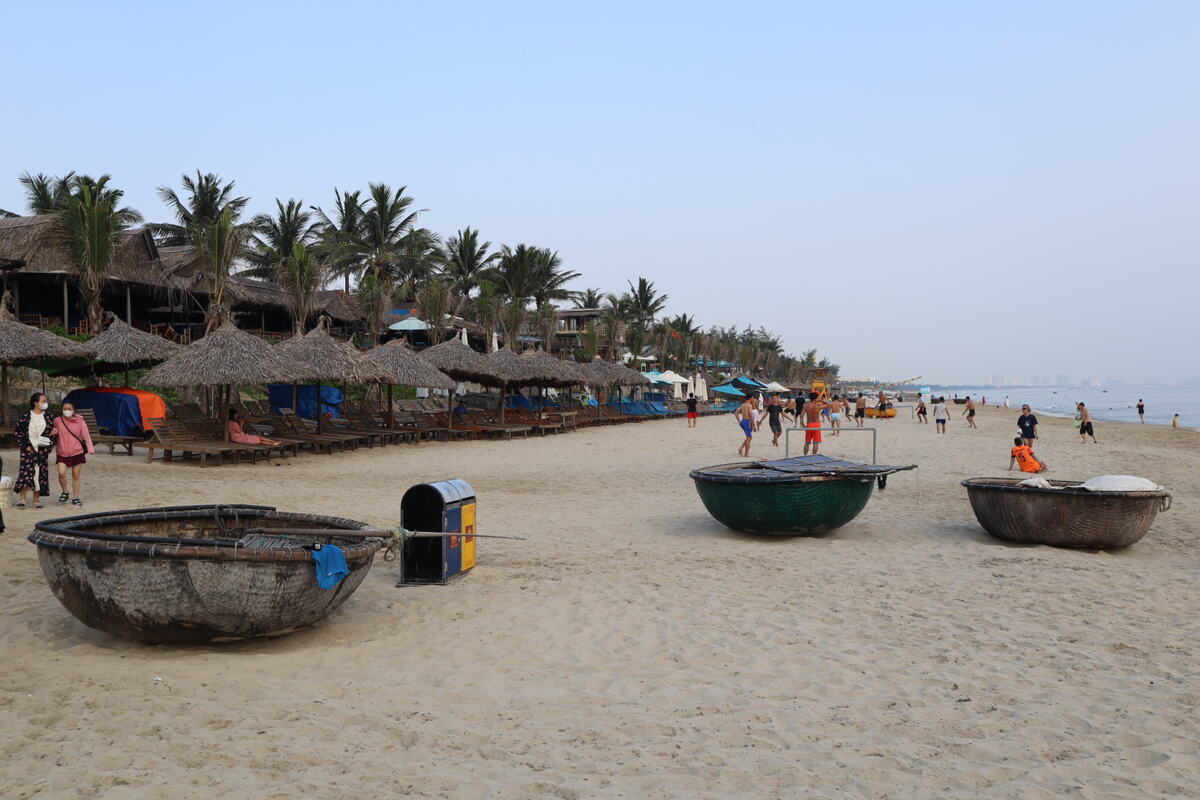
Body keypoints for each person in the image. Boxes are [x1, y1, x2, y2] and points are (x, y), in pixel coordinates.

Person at [13, 393, 57, 508]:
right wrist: (25, 446)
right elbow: (18, 431)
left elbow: (50, 432)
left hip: (42, 450)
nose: (45, 403)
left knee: (39, 473)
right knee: (26, 472)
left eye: (46, 400)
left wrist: (52, 434)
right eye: (43, 401)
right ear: (35, 403)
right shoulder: (26, 416)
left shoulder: (48, 416)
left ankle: (36, 500)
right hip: (28, 449)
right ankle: (22, 499)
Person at [53, 402, 94, 506]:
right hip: (62, 452)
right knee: (61, 472)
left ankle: (75, 497)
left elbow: (86, 436)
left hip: (77, 452)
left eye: (69, 408)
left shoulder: (80, 422)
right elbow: (53, 431)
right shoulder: (57, 421)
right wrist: (53, 432)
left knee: (76, 475)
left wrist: (90, 448)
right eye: (64, 408)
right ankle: (65, 491)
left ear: (74, 410)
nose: (66, 410)